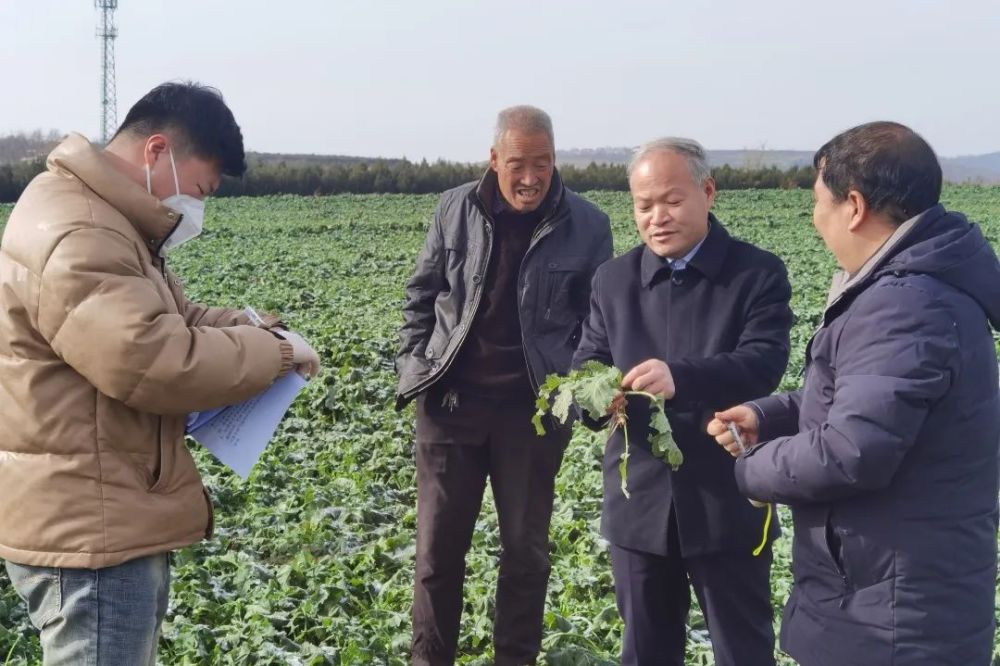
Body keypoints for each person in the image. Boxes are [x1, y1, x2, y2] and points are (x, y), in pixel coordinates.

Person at [0, 81, 320, 665]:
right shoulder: (82, 229)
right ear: (156, 152)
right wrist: (271, 354)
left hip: (101, 508)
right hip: (92, 527)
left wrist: (259, 329)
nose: (197, 206)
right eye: (200, 188)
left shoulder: (102, 219)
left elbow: (171, 318)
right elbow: (151, 357)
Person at [709, 121, 1000, 666]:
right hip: (891, 599)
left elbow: (851, 451)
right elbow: (866, 403)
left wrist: (752, 469)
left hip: (889, 618)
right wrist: (767, 416)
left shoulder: (905, 305)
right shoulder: (921, 288)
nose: (816, 218)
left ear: (856, 206)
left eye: (820, 202)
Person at [395, 105, 613, 665]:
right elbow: (422, 295)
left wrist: (583, 393)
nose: (531, 177)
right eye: (518, 163)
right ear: (494, 160)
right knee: (437, 557)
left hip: (532, 414)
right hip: (451, 405)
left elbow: (596, 323)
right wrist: (412, 367)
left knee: (525, 554)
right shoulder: (455, 207)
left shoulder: (586, 223)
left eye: (543, 163)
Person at [573, 137, 793, 666]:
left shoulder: (756, 274)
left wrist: (681, 377)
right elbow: (586, 367)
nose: (657, 218)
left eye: (671, 201)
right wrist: (596, 399)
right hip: (640, 506)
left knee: (743, 649)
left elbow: (763, 361)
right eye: (643, 206)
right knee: (647, 651)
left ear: (708, 192)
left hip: (727, 497)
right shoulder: (613, 280)